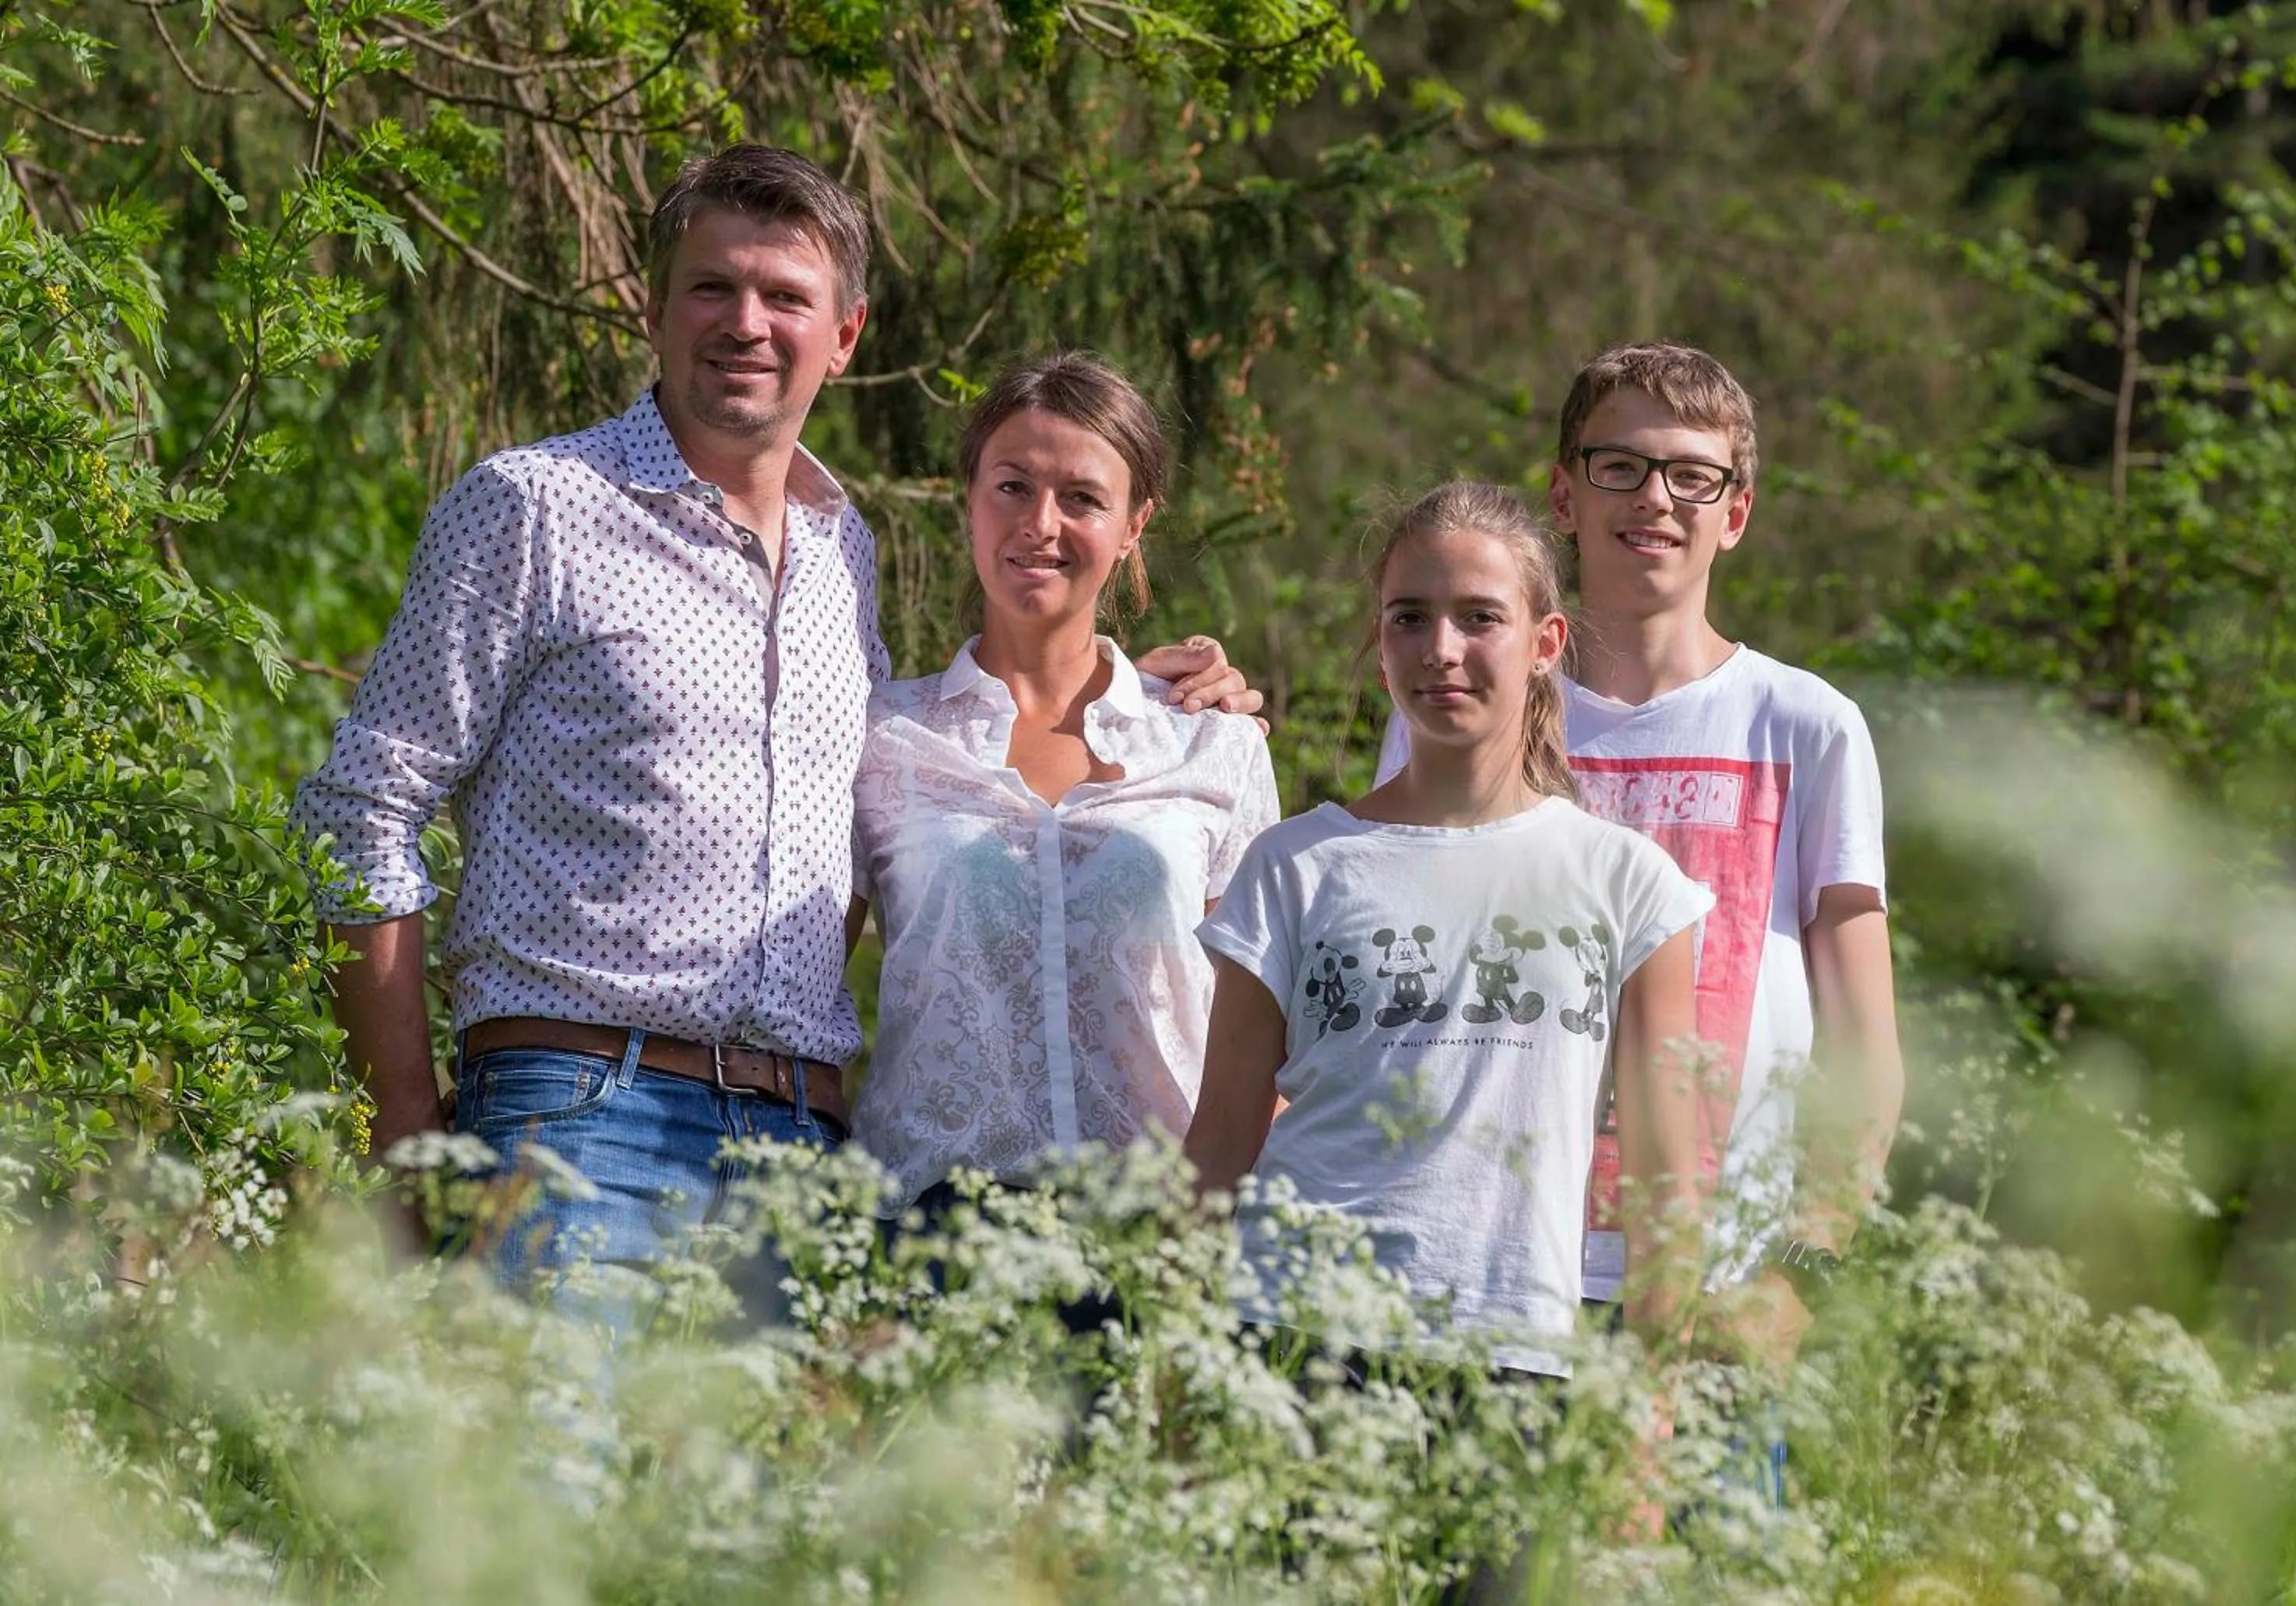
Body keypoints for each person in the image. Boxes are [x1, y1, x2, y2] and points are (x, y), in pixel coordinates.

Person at [290, 144, 1255, 1300]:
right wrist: (404, 1141)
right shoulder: (536, 508)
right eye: (713, 287)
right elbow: (361, 809)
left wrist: (1149, 700)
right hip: (583, 1110)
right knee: (548, 1482)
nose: (746, 322)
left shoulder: (845, 556)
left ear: (843, 335)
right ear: (653, 309)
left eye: (786, 297)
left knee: (769, 1488)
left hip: (806, 1155)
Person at [1377, 343, 1903, 1372]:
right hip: (1488, 1267)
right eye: (1621, 465)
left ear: (1735, 513)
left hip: (1721, 1288)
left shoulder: (1805, 724)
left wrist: (1807, 1267)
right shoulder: (1462, 702)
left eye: (1691, 475)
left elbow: (1866, 1044)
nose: (1654, 498)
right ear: (1564, 495)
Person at [1184, 480, 1712, 1379]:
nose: (1443, 650)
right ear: (1380, 641)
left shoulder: (1629, 884)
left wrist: (1645, 1423)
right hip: (1293, 1346)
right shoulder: (1296, 866)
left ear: (1546, 643)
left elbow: (1670, 1189)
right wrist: (1175, 1364)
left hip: (1516, 1352)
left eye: (1480, 618)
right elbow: (1219, 1145)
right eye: (1410, 618)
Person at [848, 352, 1280, 1218]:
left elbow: (1265, 1040)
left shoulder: (1210, 743)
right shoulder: (878, 738)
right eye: (1013, 486)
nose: (1041, 524)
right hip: (927, 1234)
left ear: (1133, 525)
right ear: (969, 495)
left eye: (1082, 498)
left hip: (1158, 1235)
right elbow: (805, 1006)